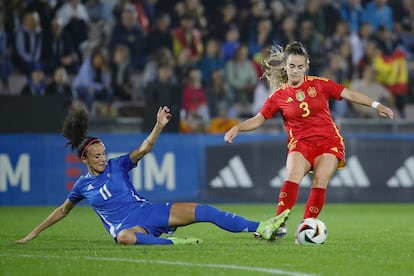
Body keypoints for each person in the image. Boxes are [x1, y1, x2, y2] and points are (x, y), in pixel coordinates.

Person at [15, 104, 289, 246]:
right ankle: (173, 244)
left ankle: (261, 227)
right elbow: (63, 211)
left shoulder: (118, 165)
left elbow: (144, 149)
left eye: (103, 153)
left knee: (203, 210)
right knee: (123, 238)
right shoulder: (82, 185)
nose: (102, 159)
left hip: (148, 212)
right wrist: (33, 233)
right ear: (84, 158)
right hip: (130, 228)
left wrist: (158, 127)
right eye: (97, 156)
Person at [224, 41, 393, 238]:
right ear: (285, 66)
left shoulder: (320, 84)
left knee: (320, 180)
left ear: (306, 66)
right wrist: (238, 127)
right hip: (301, 143)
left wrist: (376, 105)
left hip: (328, 141)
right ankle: (278, 224)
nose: (296, 71)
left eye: (300, 66)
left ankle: (307, 227)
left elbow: (349, 94)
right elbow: (259, 119)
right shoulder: (278, 96)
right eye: (292, 66)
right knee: (293, 174)